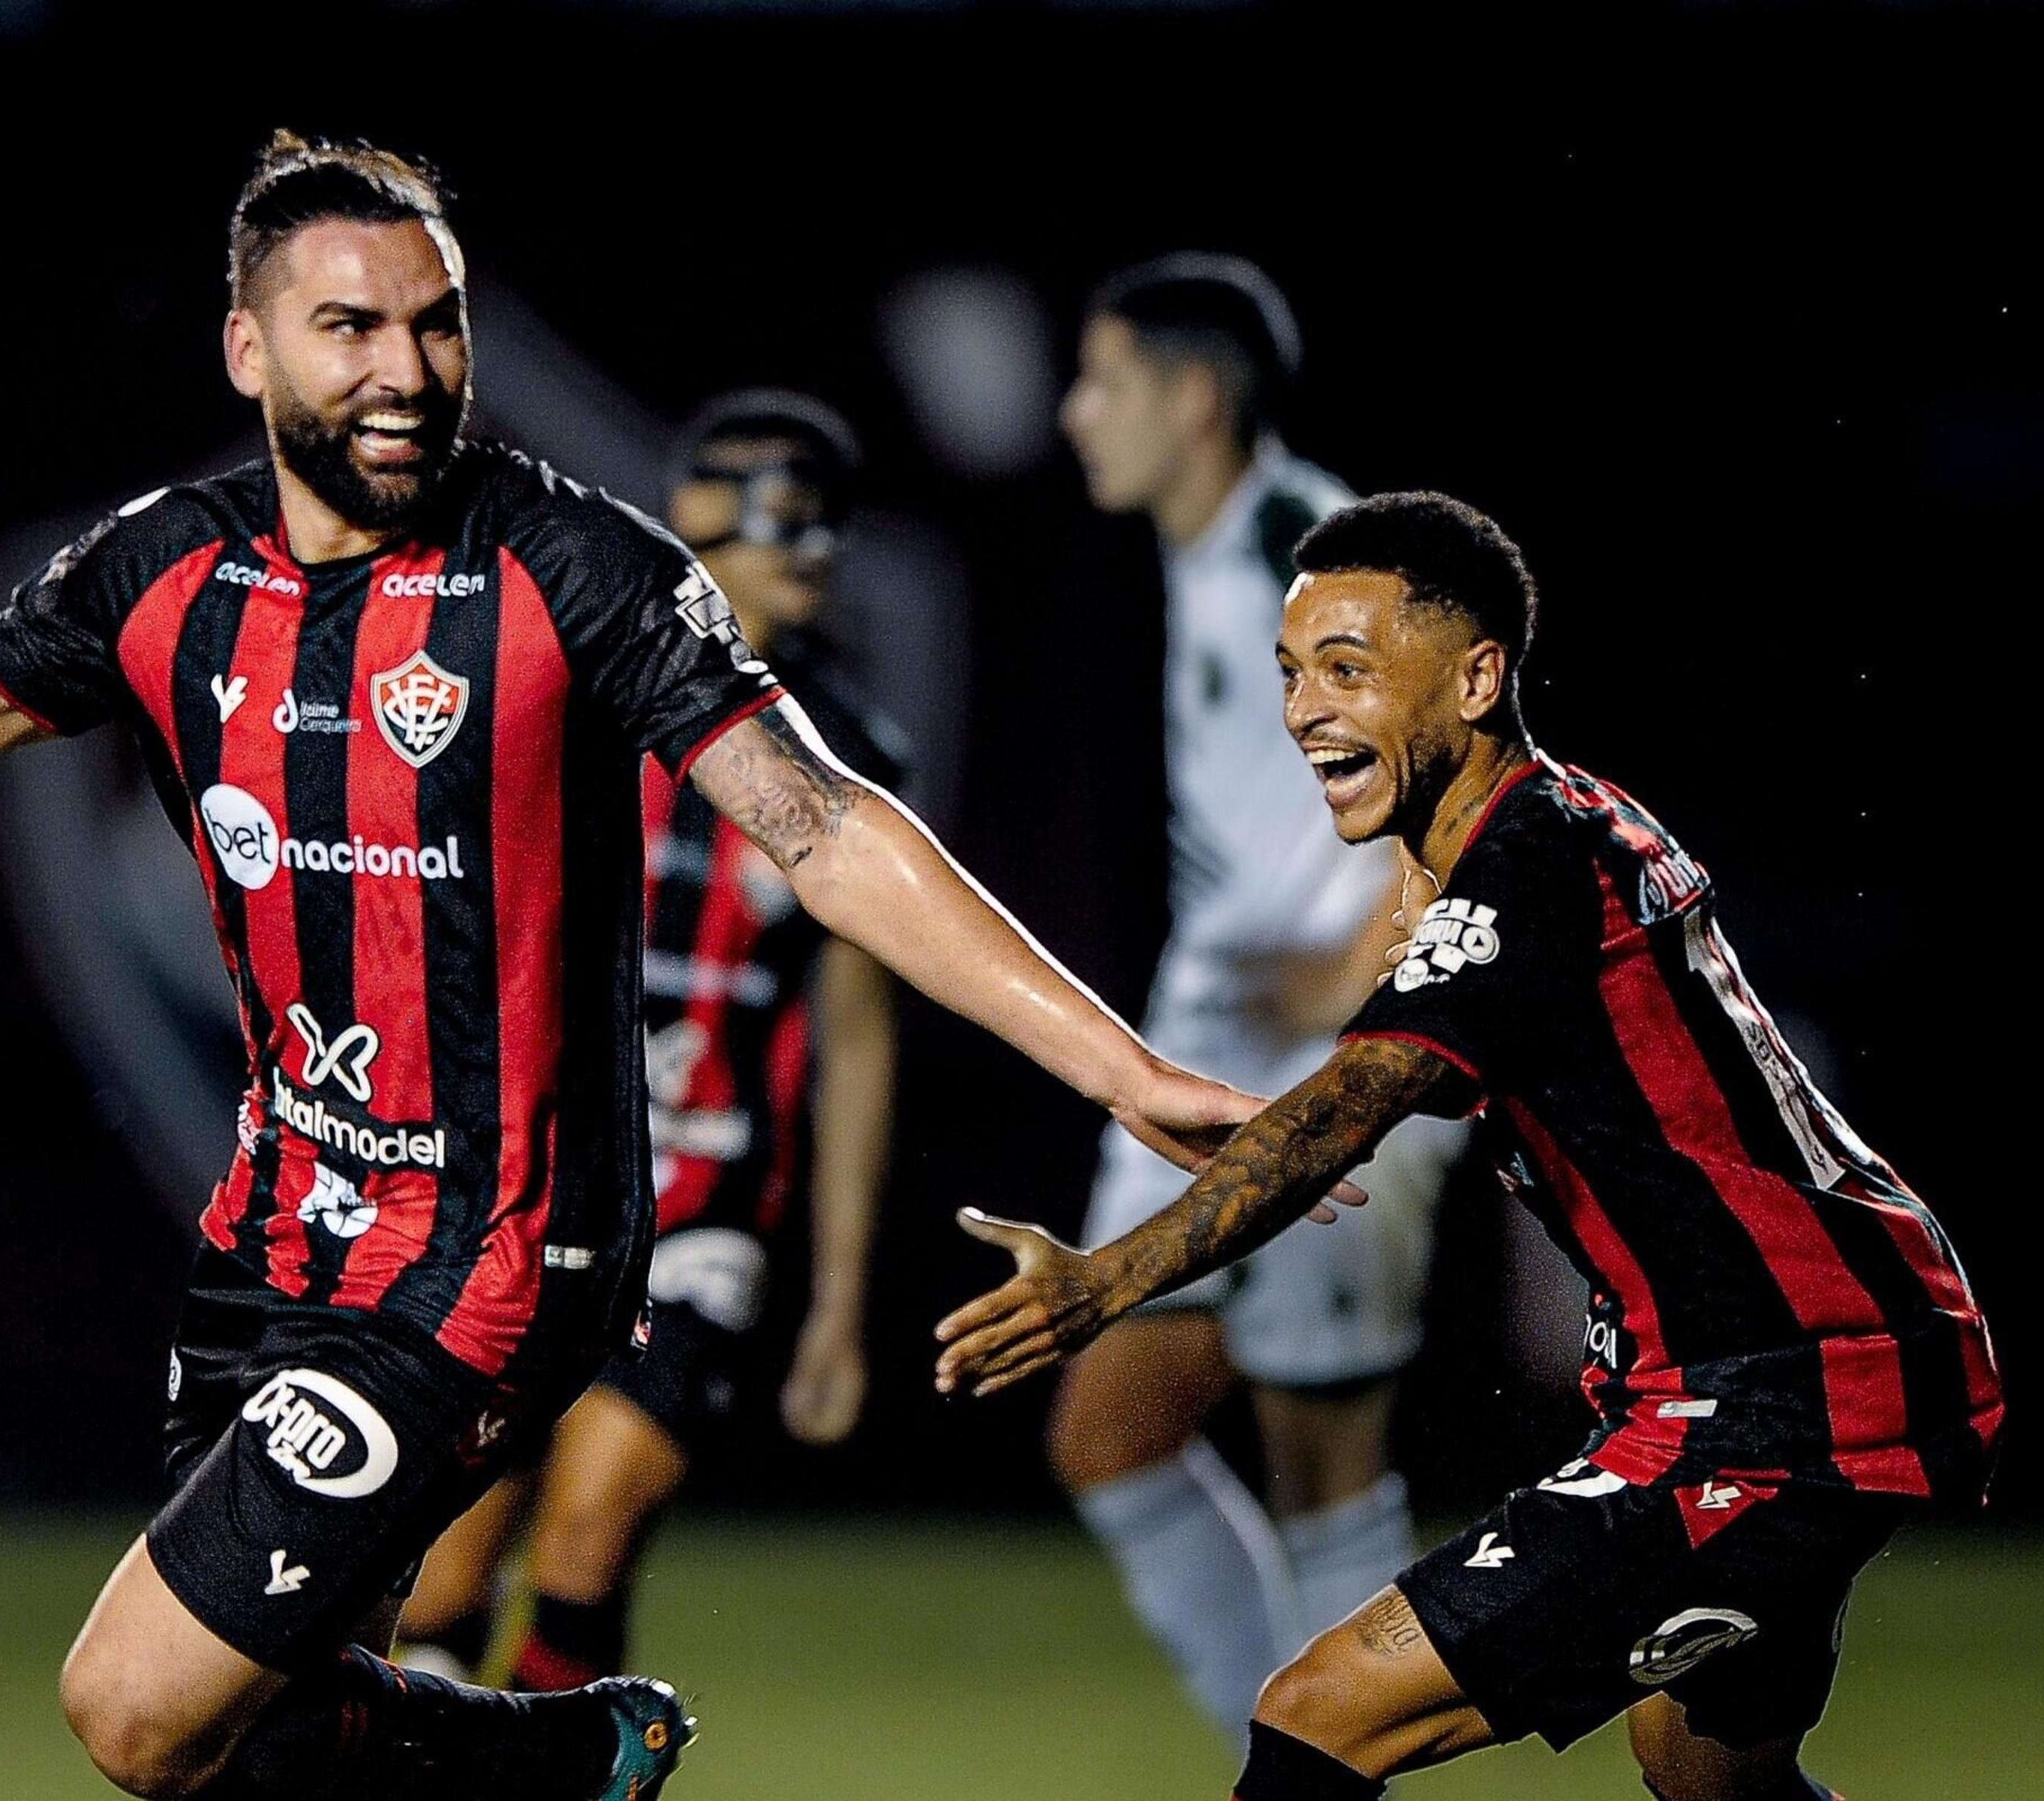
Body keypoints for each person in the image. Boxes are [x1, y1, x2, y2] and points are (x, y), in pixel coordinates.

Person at [0, 132, 1281, 1801]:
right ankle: (548, 1763)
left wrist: (1116, 1067)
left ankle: (532, 1759)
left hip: (496, 1248)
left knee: (131, 1706)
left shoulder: (573, 568)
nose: (409, 369)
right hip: (278, 1230)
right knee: (250, 1742)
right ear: (250, 346)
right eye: (353, 327)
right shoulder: (167, 571)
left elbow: (827, 826)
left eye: (436, 323)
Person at [933, 492, 2004, 1801]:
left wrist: (1107, 1281)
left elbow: (1349, 1106)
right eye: (1289, 673)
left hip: (1782, 1394)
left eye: (1349, 668)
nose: (1305, 710)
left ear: (1480, 675)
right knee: (1706, 1780)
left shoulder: (1530, 861)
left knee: (1321, 1711)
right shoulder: (1545, 828)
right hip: (1832, 1361)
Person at [394, 392, 906, 1691]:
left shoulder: (850, 761)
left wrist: (838, 1303)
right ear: (698, 539)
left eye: (825, 534)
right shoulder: (572, 703)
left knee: (587, 1538)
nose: (811, 562)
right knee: (444, 1579)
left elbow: (854, 1045)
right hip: (533, 1194)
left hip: (706, 1211)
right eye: (783, 529)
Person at [1049, 254, 1465, 1741]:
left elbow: (1476, 769)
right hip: (1216, 1053)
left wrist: (1361, 977)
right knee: (1108, 1434)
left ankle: (1328, 1776)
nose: (1073, 411)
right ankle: (1285, 1762)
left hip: (1348, 1060)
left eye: (1101, 380)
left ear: (1192, 398)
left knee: (1324, 1467)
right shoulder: (1220, 554)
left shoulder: (1312, 553)